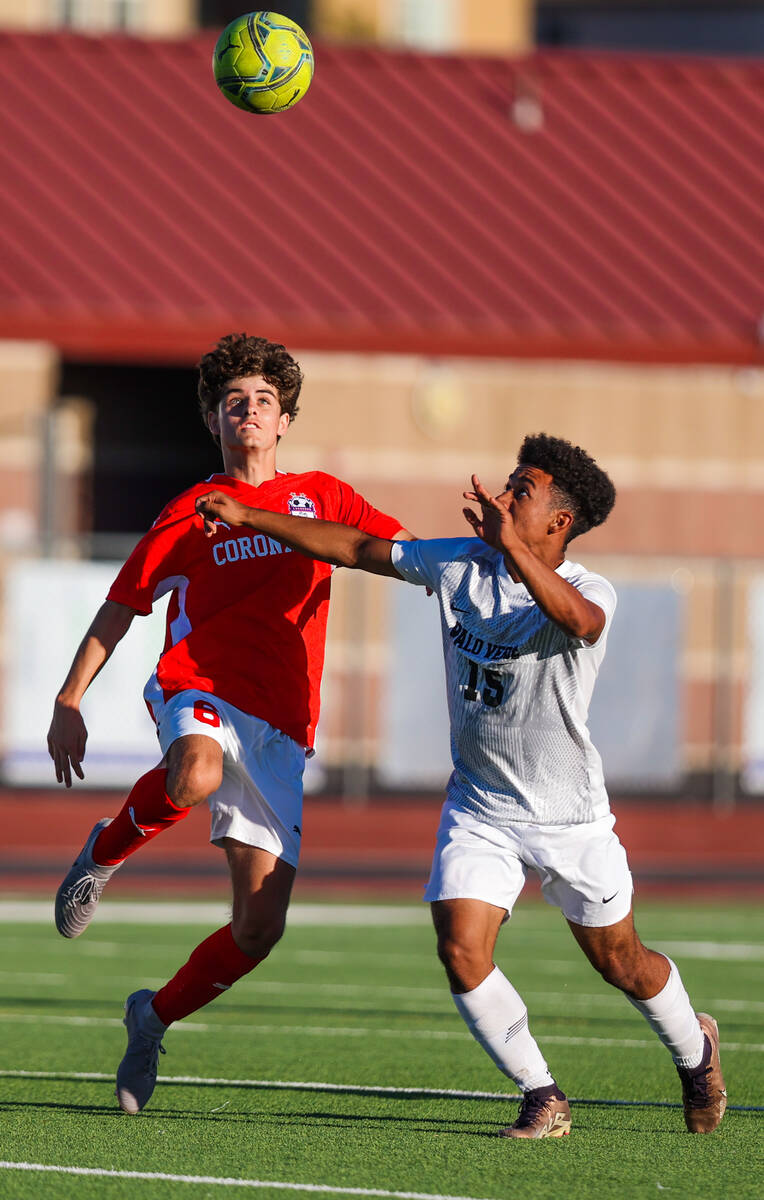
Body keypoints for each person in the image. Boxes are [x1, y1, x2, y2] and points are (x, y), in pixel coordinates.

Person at [194, 432, 727, 1139]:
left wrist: (511, 551)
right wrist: (251, 517)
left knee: (622, 963)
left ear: (559, 522)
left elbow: (582, 623)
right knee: (460, 945)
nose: (501, 498)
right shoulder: (459, 563)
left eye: (521, 493)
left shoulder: (589, 589)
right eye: (507, 485)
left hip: (569, 817)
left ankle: (696, 1053)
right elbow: (356, 549)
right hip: (480, 803)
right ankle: (542, 1094)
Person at [48, 332, 412, 1115]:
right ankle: (103, 853)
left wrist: (491, 557)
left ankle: (151, 1018)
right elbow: (122, 606)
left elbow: (404, 553)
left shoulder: (325, 496)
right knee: (194, 772)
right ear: (215, 421)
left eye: (264, 402)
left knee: (257, 931)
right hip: (200, 688)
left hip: (283, 726)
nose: (249, 412)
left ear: (286, 422)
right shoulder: (189, 510)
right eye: (233, 401)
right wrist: (69, 699)